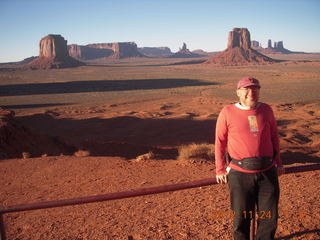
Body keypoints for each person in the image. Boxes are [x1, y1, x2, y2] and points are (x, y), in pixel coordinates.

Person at [214, 77, 284, 240]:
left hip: (268, 172)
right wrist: (220, 169)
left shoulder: (266, 110)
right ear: (238, 92)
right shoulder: (227, 112)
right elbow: (220, 142)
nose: (251, 93)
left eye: (255, 89)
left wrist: (278, 163)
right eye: (246, 90)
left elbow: (274, 137)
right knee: (242, 218)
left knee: (269, 219)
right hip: (240, 174)